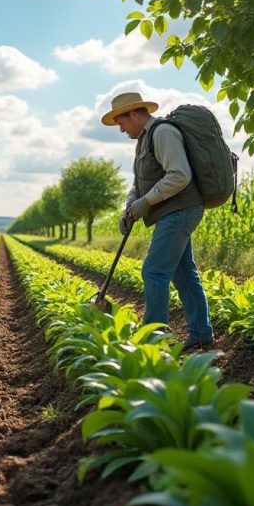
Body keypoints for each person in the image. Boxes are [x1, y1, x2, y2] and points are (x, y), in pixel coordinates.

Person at [101, 91, 214, 350]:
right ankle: (200, 333)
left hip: (181, 210)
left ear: (134, 114)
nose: (120, 129)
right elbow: (139, 184)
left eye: (121, 122)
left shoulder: (162, 133)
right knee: (183, 273)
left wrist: (144, 203)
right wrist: (130, 206)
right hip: (171, 212)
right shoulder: (144, 140)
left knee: (153, 271)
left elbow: (179, 176)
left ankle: (153, 339)